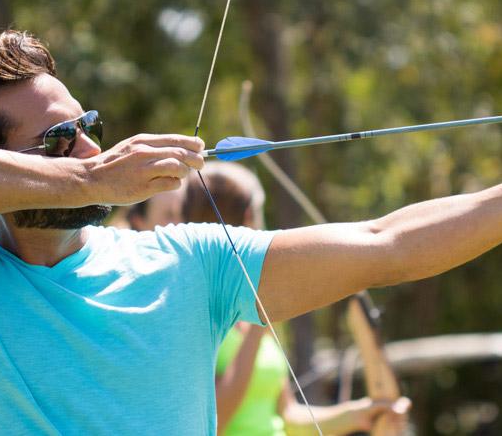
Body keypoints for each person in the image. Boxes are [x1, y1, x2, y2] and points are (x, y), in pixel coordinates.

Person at [0, 30, 502, 434]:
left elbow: (387, 243)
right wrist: (91, 181)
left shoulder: (188, 264)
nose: (90, 147)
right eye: (56, 139)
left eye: (87, 128)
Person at [127, 162, 411, 435]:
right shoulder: (194, 308)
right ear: (249, 217)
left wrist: (361, 414)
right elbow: (214, 422)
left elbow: (288, 416)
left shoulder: (253, 319)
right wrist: (258, 323)